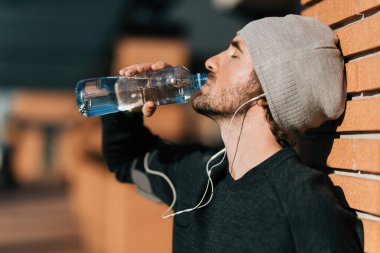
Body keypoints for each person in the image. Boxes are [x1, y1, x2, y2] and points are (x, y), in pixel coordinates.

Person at [101, 15, 364, 252]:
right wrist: (127, 104)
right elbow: (126, 161)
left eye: (234, 55)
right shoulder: (201, 174)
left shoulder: (303, 203)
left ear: (269, 93)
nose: (211, 62)